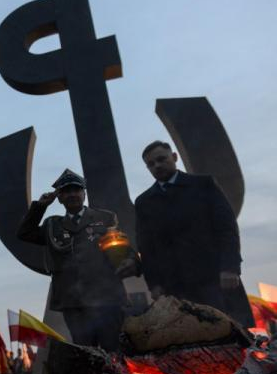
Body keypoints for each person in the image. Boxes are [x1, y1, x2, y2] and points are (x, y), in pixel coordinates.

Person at [132, 141, 254, 327]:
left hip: (214, 278)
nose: (157, 165)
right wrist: (154, 284)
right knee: (191, 340)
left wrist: (230, 267)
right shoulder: (144, 202)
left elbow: (226, 228)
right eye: (151, 164)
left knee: (229, 333)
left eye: (161, 159)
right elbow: (146, 246)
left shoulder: (203, 185)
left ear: (174, 157)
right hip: (175, 287)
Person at [17, 169, 135, 351]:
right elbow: (24, 234)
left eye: (76, 190)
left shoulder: (104, 218)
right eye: (66, 191)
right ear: (59, 197)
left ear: (84, 193)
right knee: (88, 356)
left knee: (114, 352)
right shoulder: (52, 225)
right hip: (74, 303)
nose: (72, 194)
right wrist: (40, 206)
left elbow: (122, 248)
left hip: (107, 299)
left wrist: (131, 262)